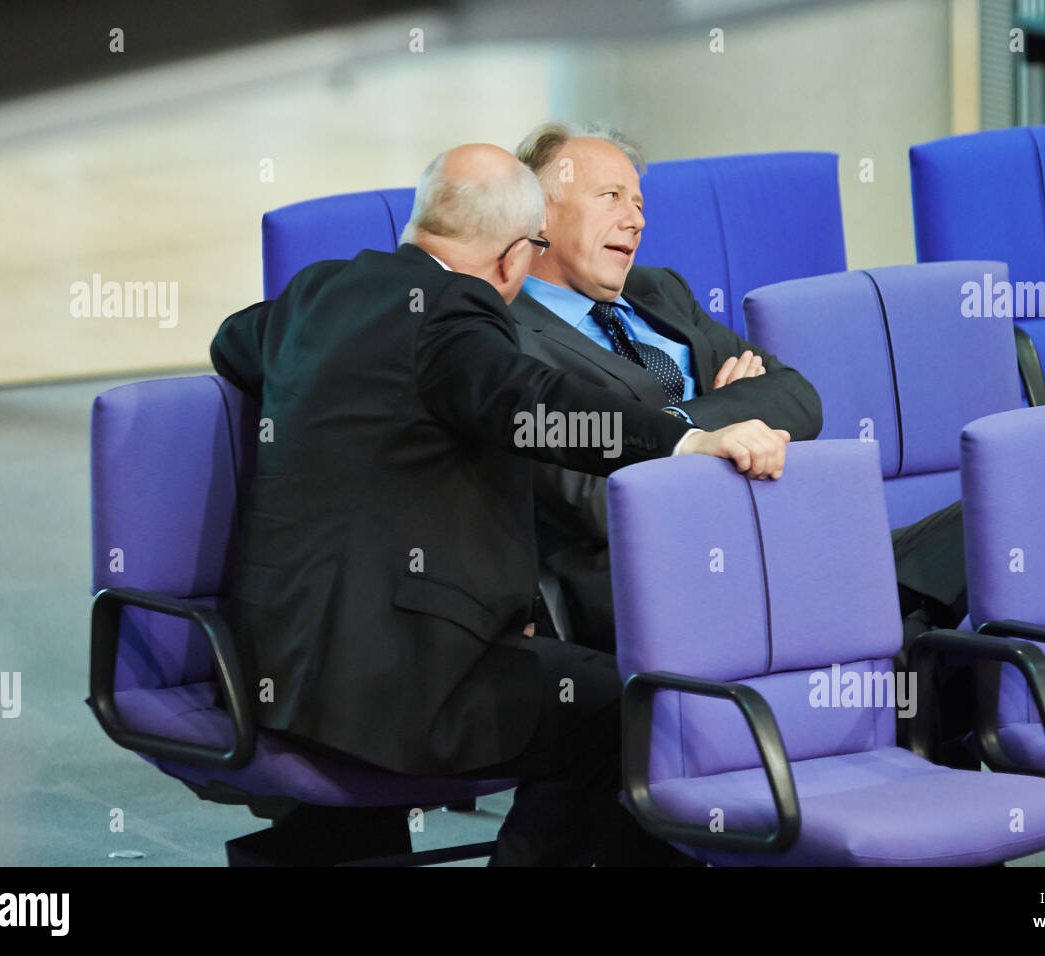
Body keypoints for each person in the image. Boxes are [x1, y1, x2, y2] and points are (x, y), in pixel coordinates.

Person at [210, 142, 789, 865]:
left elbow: (232, 343)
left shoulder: (318, 294)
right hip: (395, 687)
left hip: (269, 661)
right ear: (516, 257)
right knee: (636, 713)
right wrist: (684, 440)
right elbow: (535, 403)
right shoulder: (454, 317)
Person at [509, 121, 967, 654]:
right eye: (611, 197)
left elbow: (796, 399)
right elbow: (593, 498)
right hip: (668, 579)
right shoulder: (506, 336)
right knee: (923, 642)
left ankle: (896, 656)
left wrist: (674, 428)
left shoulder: (660, 290)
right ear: (537, 213)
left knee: (984, 524)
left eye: (638, 204)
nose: (634, 220)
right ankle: (903, 660)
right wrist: (705, 424)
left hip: (781, 540)